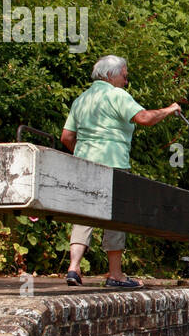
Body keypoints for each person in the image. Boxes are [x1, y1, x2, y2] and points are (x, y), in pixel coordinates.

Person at [60, 55, 182, 288]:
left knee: (83, 214)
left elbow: (66, 137)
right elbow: (144, 118)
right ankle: (115, 275)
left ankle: (74, 269)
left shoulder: (82, 99)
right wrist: (169, 109)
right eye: (124, 76)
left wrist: (86, 153)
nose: (126, 82)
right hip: (113, 164)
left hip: (84, 165)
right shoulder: (117, 95)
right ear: (110, 75)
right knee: (115, 217)